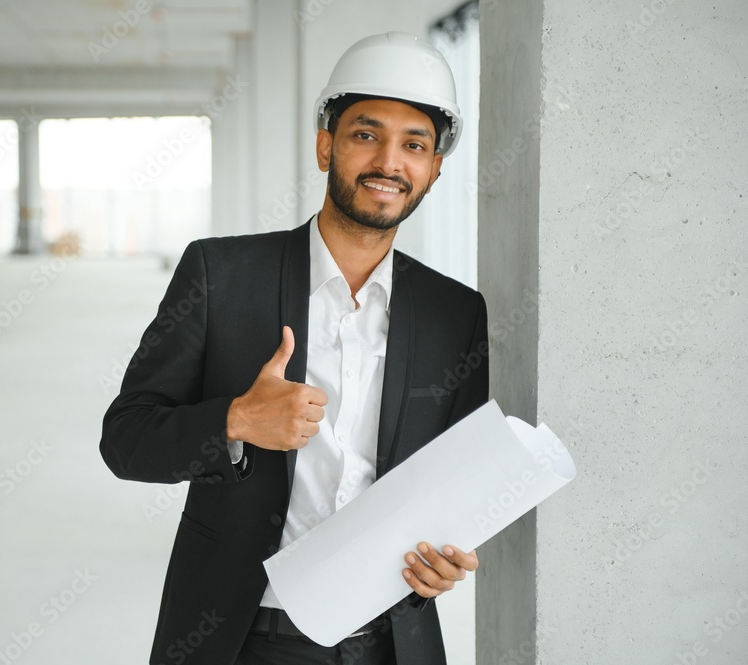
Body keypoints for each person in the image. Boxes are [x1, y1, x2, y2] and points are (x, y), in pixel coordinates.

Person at [101, 32, 488, 665]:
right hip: (242, 638)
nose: (389, 162)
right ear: (325, 145)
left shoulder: (456, 314)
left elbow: (458, 480)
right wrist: (236, 420)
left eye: (414, 145)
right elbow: (125, 439)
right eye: (366, 134)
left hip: (388, 642)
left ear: (434, 170)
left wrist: (446, 558)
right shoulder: (219, 275)